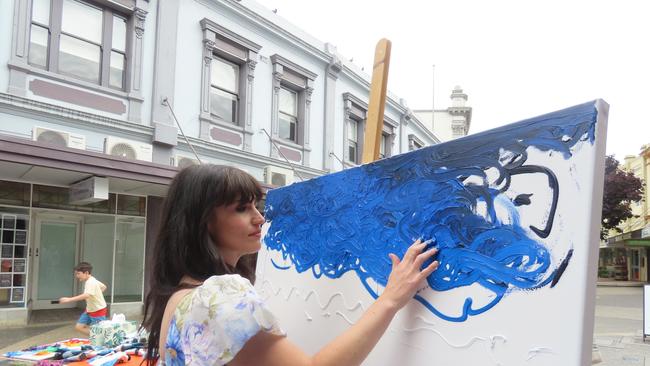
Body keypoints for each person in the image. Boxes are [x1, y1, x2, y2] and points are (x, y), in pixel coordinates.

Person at [143, 165, 440, 365]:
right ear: (203, 220)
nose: (259, 218)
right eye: (242, 208)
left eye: (257, 206)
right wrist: (390, 299)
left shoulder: (177, 298)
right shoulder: (219, 295)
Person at [59, 262, 108, 335]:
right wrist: (95, 294)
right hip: (90, 310)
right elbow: (104, 287)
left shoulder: (90, 282)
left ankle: (99, 337)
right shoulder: (92, 279)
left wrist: (69, 299)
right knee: (79, 327)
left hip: (98, 311)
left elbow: (86, 295)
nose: (77, 276)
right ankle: (97, 336)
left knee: (98, 333)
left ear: (86, 273)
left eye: (78, 273)